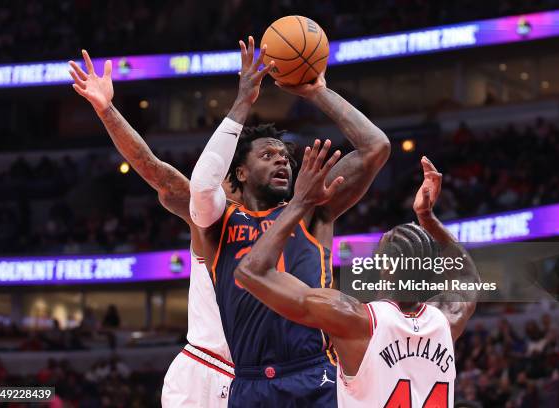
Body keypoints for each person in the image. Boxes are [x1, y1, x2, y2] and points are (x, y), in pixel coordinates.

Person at [189, 37, 390, 407]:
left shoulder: (314, 206)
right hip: (249, 382)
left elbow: (375, 147)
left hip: (315, 373)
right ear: (242, 173)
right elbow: (202, 186)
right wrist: (242, 103)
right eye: (268, 155)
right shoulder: (219, 224)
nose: (282, 161)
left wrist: (318, 91)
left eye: (285, 156)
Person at [67, 39, 269, 407]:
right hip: (204, 368)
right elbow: (151, 166)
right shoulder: (208, 216)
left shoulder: (283, 223)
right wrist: (107, 109)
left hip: (256, 375)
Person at [234, 150, 479, 407]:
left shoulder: (355, 319)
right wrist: (428, 218)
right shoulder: (446, 320)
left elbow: (251, 271)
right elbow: (468, 278)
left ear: (385, 267)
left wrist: (300, 202)